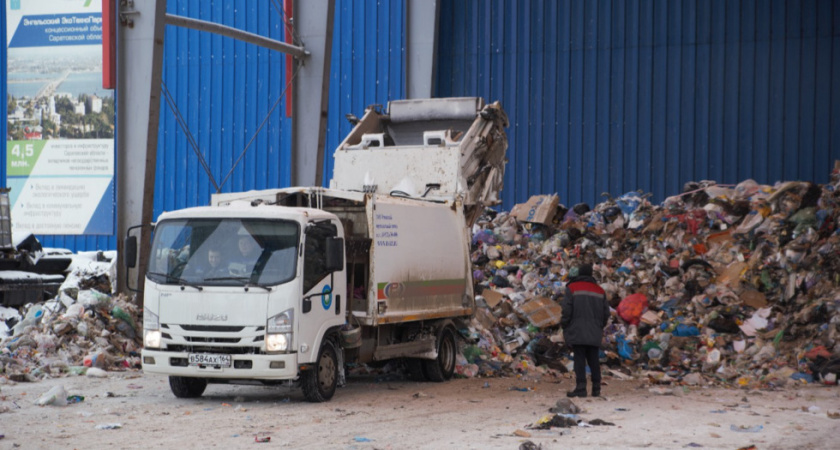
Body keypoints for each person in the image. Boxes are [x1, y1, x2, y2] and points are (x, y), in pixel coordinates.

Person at [560, 263, 610, 398]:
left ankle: (581, 388)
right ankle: (596, 389)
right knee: (594, 359)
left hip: (577, 329)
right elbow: (606, 313)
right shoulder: (599, 290)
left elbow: (566, 310)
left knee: (579, 358)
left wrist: (564, 325)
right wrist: (600, 325)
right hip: (595, 330)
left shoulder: (572, 288)